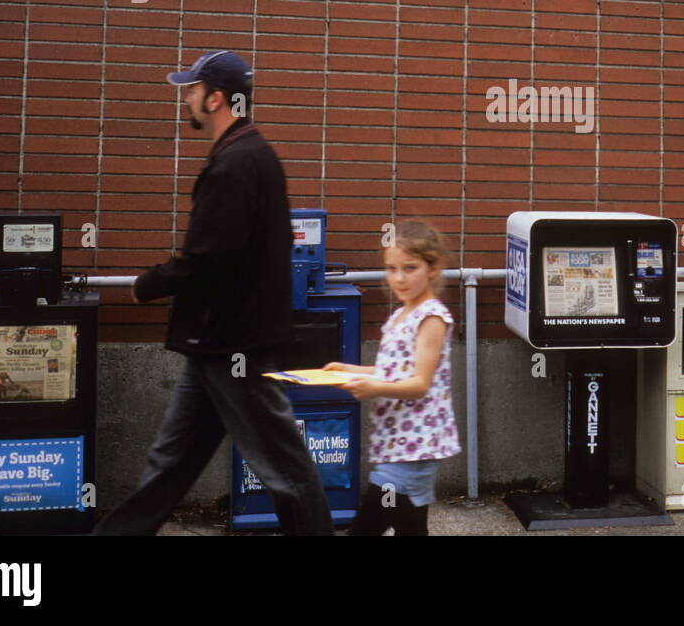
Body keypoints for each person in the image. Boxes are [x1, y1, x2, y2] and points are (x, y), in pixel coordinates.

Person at [95, 50, 333, 536]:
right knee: (171, 463)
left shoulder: (234, 165)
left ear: (216, 98)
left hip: (232, 346)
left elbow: (208, 256)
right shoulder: (254, 155)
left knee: (284, 470)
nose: (186, 98)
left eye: (191, 89)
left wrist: (150, 284)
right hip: (216, 347)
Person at [324, 220, 460, 535]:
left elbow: (419, 383)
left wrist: (373, 387)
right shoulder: (401, 314)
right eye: (391, 268)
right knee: (409, 526)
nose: (399, 278)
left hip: (415, 447)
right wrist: (353, 370)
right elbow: (396, 371)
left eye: (410, 268)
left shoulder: (431, 318)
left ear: (433, 268)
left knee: (370, 524)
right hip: (398, 444)